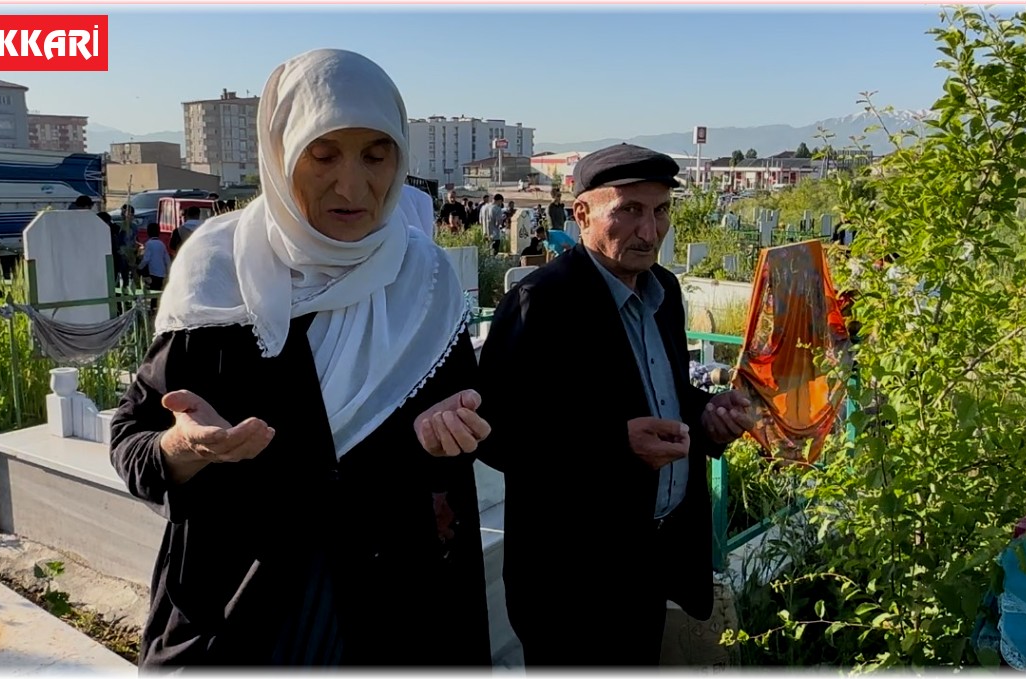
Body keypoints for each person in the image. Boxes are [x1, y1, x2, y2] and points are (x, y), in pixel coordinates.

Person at [108, 49, 492, 668]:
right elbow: (134, 439)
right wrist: (181, 449)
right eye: (323, 155)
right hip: (242, 613)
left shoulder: (424, 283)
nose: (353, 186)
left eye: (375, 156)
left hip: (393, 613)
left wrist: (448, 437)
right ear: (280, 151)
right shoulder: (219, 272)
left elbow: (461, 435)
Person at [476, 143, 757, 667]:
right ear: (582, 213)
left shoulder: (663, 291)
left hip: (648, 560)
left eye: (661, 211)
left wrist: (707, 417)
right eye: (629, 210)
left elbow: (666, 393)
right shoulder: (541, 303)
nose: (650, 232)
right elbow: (495, 434)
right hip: (572, 579)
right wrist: (614, 445)